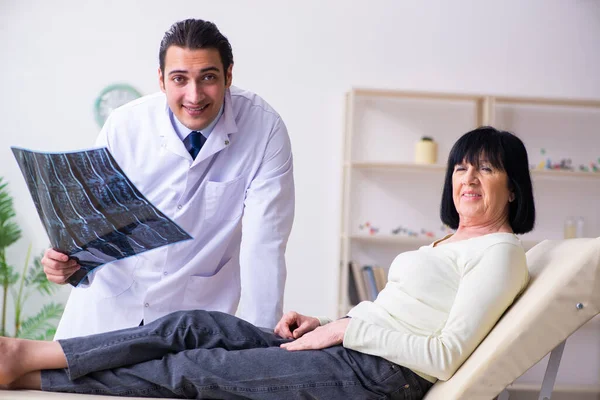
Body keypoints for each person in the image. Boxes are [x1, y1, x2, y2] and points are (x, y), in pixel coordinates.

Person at [0, 127, 535, 399]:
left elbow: (442, 356)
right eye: (461, 168)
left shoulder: (500, 254)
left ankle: (34, 378)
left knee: (195, 369)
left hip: (378, 377)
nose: (467, 180)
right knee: (194, 325)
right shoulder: (447, 244)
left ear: (512, 188)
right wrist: (328, 325)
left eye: (485, 171)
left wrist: (348, 331)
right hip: (354, 348)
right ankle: (28, 352)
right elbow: (395, 318)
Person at [41, 18, 295, 338]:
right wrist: (64, 263)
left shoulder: (264, 129)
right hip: (106, 311)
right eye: (180, 79)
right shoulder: (124, 126)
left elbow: (265, 243)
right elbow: (90, 228)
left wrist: (262, 341)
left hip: (191, 321)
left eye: (208, 77)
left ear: (229, 75)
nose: (194, 95)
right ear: (161, 80)